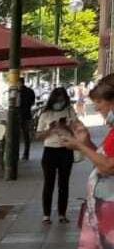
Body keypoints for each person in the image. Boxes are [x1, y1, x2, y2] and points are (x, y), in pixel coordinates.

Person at [51, 74, 114, 249]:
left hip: (111, 208)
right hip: (105, 207)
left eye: (100, 104)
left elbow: (108, 166)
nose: (98, 110)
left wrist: (80, 147)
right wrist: (86, 142)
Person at [37, 87, 81, 225]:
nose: (59, 102)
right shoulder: (45, 114)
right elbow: (38, 136)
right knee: (48, 183)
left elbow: (78, 129)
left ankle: (62, 214)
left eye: (62, 99)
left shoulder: (69, 111)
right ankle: (46, 214)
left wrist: (65, 127)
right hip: (50, 150)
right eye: (57, 99)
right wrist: (50, 129)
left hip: (65, 149)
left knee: (64, 184)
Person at [17, 82, 37, 162]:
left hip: (18, 116)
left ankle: (16, 154)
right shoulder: (30, 91)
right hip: (27, 115)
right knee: (26, 136)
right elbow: (33, 102)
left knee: (16, 136)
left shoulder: (17, 92)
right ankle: (26, 154)